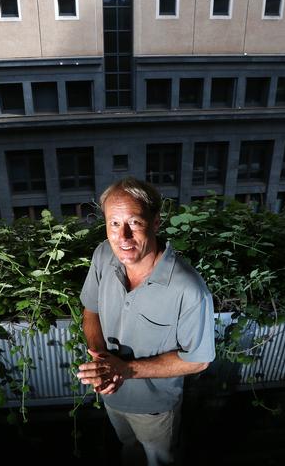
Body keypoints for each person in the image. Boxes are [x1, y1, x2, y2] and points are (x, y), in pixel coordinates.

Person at [77, 177, 216, 466]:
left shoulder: (188, 289)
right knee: (129, 450)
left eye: (135, 223)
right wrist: (101, 360)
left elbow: (199, 361)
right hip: (112, 399)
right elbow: (90, 310)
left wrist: (123, 369)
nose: (123, 236)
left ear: (155, 222)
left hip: (155, 409)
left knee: (160, 459)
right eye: (114, 223)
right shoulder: (103, 254)